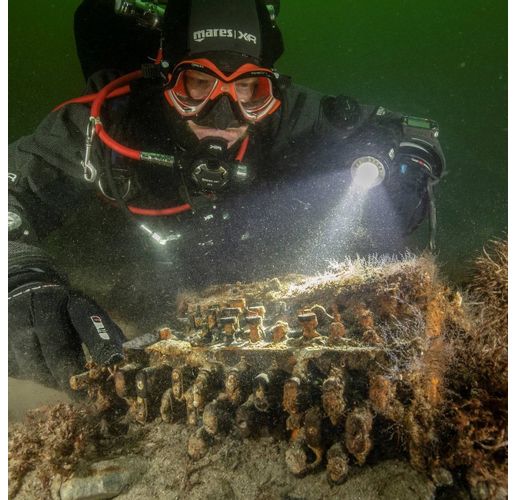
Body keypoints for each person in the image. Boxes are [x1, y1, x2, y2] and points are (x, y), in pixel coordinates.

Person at [8, 0, 445, 393]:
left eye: (247, 90)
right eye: (197, 84)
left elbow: (405, 130)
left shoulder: (287, 115)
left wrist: (409, 168)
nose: (223, 114)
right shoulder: (104, 125)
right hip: (132, 269)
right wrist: (20, 277)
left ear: (270, 91)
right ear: (164, 79)